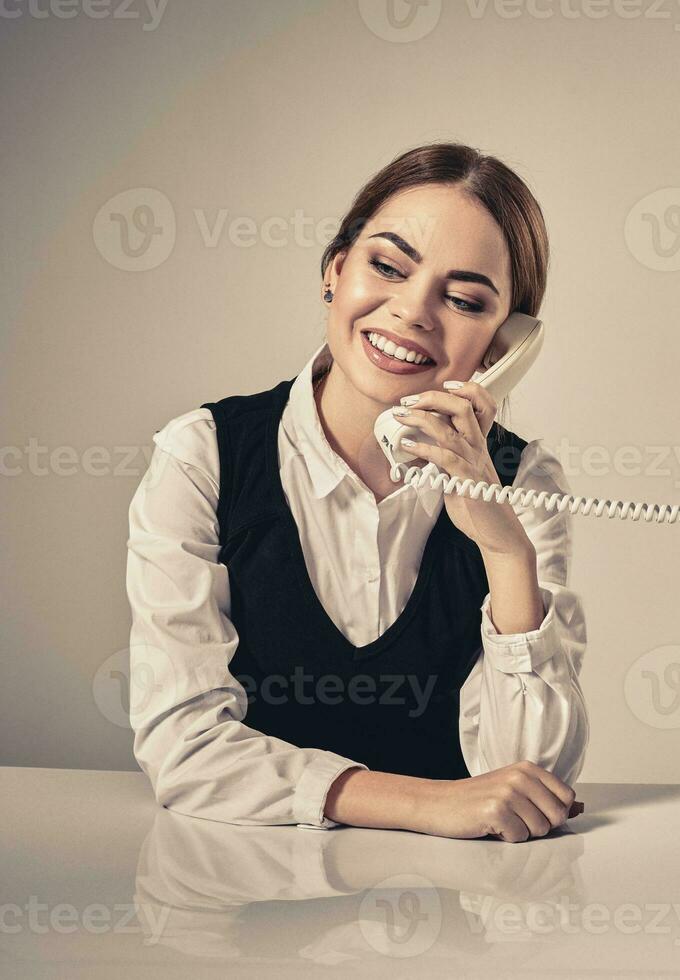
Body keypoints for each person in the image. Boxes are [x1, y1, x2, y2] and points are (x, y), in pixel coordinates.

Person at [126, 143, 588, 842]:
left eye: (463, 300)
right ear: (335, 272)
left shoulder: (522, 486)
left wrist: (505, 548)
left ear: (501, 348)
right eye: (389, 267)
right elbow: (183, 745)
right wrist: (428, 804)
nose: (413, 311)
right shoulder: (204, 456)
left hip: (457, 911)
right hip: (239, 892)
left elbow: (529, 784)